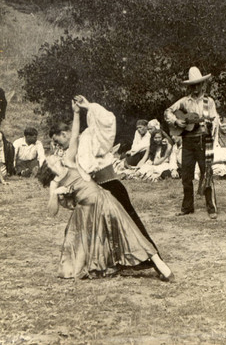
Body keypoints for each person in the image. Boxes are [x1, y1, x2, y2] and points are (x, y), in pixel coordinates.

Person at [41, 100, 174, 281]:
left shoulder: (89, 137)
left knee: (131, 226)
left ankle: (156, 260)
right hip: (95, 194)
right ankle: (122, 262)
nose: (59, 147)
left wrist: (83, 108)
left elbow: (107, 123)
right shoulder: (69, 157)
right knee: (108, 232)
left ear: (64, 134)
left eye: (58, 141)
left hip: (109, 185)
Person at [164, 66, 219, 219]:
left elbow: (215, 120)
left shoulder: (210, 102)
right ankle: (187, 206)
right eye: (192, 85)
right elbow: (167, 111)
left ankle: (211, 207)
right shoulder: (183, 102)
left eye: (198, 84)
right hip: (187, 141)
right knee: (186, 175)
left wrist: (210, 125)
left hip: (203, 141)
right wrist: (177, 122)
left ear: (203, 84)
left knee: (207, 173)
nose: (195, 88)